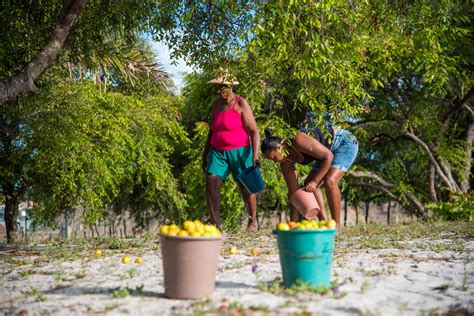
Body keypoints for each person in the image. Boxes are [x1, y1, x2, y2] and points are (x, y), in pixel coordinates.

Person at [261, 126, 358, 234]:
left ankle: (337, 227)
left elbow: (328, 157)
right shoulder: (285, 163)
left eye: (274, 158)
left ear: (279, 147)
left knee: (330, 181)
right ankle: (325, 225)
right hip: (325, 153)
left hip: (344, 142)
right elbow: (294, 193)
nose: (275, 162)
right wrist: (293, 223)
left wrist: (315, 182)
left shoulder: (297, 140)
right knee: (308, 184)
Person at [202, 72, 260, 232]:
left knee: (245, 187)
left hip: (240, 150)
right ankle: (216, 225)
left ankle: (253, 221)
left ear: (230, 86)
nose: (218, 90)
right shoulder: (215, 105)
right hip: (218, 152)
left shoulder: (241, 103)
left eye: (221, 86)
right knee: (211, 181)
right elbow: (212, 131)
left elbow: (254, 131)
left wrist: (255, 155)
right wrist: (205, 154)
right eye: (216, 87)